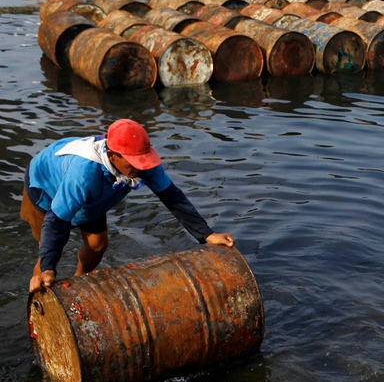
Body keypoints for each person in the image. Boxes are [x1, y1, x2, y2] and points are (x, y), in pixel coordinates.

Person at [22, 119, 235, 293]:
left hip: (96, 190)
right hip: (45, 185)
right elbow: (56, 220)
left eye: (143, 161)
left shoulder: (143, 164)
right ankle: (40, 301)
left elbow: (172, 197)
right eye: (134, 162)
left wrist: (207, 235)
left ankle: (78, 286)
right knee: (48, 250)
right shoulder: (84, 175)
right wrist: (49, 268)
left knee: (97, 245)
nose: (141, 168)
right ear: (113, 156)